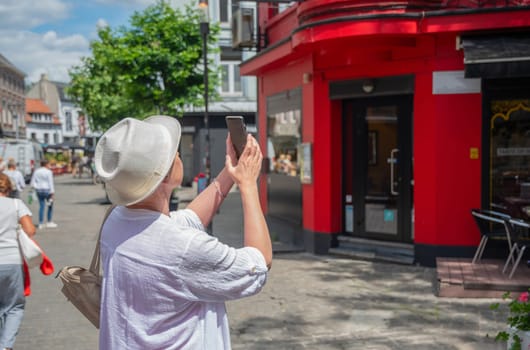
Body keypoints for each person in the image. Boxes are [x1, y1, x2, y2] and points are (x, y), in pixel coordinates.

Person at [94, 115, 272, 350]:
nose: (178, 155)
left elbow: (189, 219)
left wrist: (231, 173)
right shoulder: (182, 248)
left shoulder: (116, 220)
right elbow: (258, 263)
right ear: (166, 174)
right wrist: (248, 185)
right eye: (174, 153)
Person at [0, 173, 36, 350]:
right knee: (14, 306)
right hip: (11, 260)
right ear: (7, 188)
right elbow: (30, 229)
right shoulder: (16, 204)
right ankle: (5, 346)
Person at [30, 159, 57, 229]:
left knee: (41, 206)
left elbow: (32, 182)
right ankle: (49, 221)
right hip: (47, 190)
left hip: (39, 190)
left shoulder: (36, 171)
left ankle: (40, 223)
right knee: (50, 206)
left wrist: (36, 187)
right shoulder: (48, 172)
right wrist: (52, 192)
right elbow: (50, 182)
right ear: (46, 164)